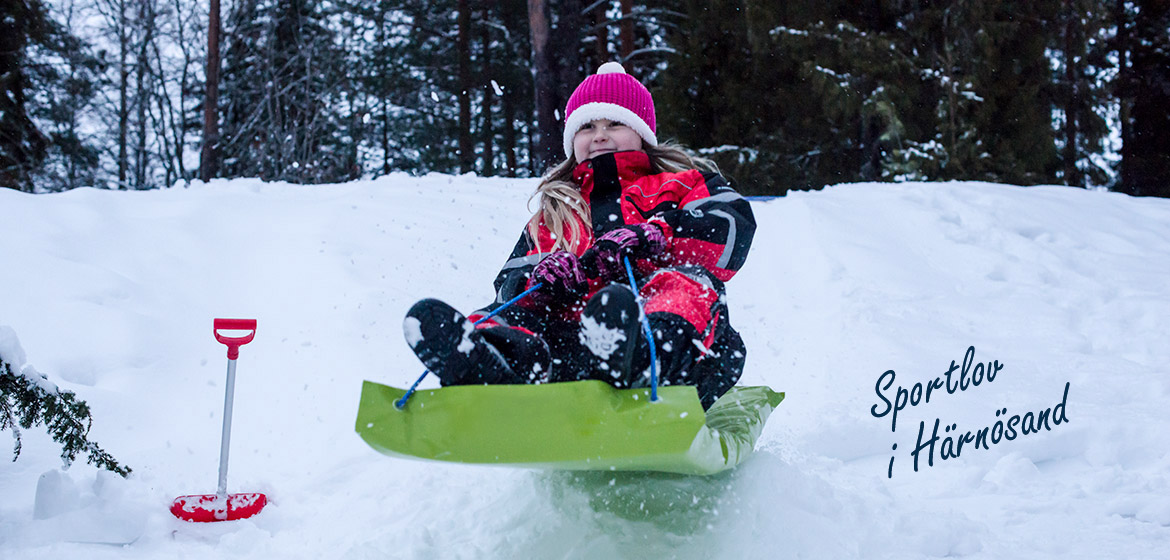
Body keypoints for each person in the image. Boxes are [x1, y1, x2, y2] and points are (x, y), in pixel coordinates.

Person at [403, 62, 755, 409]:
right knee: (509, 311)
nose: (600, 135)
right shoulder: (555, 213)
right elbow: (511, 281)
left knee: (685, 283)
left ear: (642, 133)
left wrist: (656, 234)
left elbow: (730, 230)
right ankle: (489, 364)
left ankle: (635, 357)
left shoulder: (684, 184)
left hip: (673, 355)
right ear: (573, 141)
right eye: (587, 127)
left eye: (614, 123)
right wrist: (541, 279)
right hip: (571, 359)